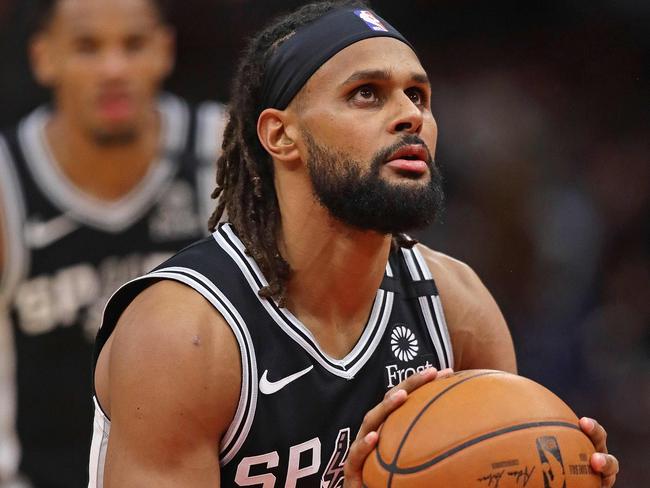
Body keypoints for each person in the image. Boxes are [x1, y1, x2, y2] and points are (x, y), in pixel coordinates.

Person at [89, 1, 620, 487]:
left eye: (418, 95)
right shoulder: (184, 334)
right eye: (366, 93)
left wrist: (561, 469)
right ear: (280, 136)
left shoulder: (457, 307)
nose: (411, 115)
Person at [0, 0, 224, 486]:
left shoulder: (223, 151)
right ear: (43, 57)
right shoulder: (6, 185)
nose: (114, 68)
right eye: (87, 47)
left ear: (165, 51)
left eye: (134, 44)